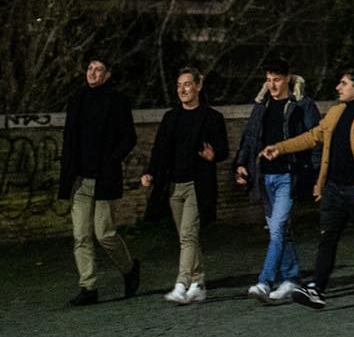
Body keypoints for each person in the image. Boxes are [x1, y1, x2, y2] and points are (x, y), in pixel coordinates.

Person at [261, 66, 354, 309]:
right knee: (327, 238)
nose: (338, 87)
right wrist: (280, 148)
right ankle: (317, 289)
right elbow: (314, 136)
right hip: (333, 188)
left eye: (343, 83)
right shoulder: (336, 112)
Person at [234, 56, 321, 304]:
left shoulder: (302, 105)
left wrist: (316, 176)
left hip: (289, 175)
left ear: (288, 79)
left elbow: (316, 139)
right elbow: (250, 138)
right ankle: (291, 278)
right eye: (269, 80)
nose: (272, 85)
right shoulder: (261, 106)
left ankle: (265, 281)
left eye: (277, 80)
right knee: (280, 230)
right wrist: (241, 164)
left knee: (278, 229)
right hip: (265, 177)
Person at [141, 65, 230, 304]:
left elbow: (223, 149)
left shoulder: (212, 117)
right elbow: (159, 150)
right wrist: (150, 173)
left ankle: (181, 284)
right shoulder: (170, 118)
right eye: (179, 85)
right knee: (186, 236)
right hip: (173, 186)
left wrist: (214, 155)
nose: (182, 90)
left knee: (188, 235)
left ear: (198, 86)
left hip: (197, 184)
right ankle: (198, 283)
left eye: (187, 84)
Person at [59, 53, 140, 307]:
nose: (92, 72)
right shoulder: (77, 99)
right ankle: (88, 286)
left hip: (103, 178)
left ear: (107, 74)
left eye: (98, 69)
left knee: (104, 233)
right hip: (80, 179)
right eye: (90, 68)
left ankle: (129, 268)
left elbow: (129, 137)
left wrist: (110, 161)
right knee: (80, 235)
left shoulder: (117, 101)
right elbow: (69, 138)